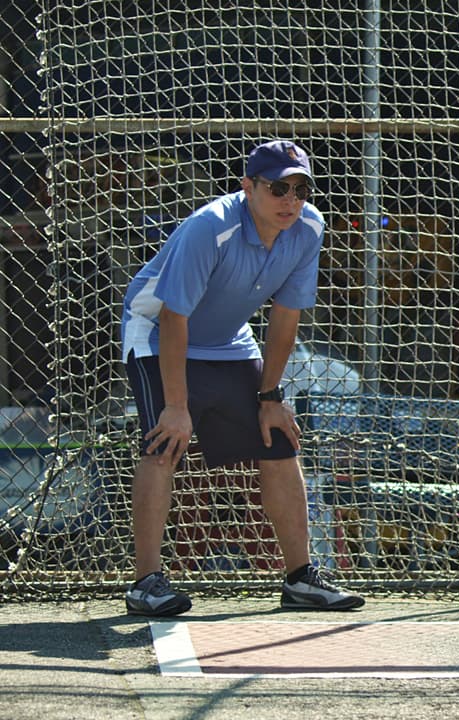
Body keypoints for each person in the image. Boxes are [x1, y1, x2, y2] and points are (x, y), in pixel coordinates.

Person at [120, 139, 364, 616]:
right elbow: (172, 317)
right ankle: (146, 583)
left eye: (300, 190)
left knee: (279, 439)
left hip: (229, 341)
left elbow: (286, 315)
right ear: (248, 187)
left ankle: (300, 579)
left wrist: (270, 396)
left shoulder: (308, 227)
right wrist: (176, 406)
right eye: (278, 189)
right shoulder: (210, 227)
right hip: (157, 334)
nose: (290, 201)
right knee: (163, 443)